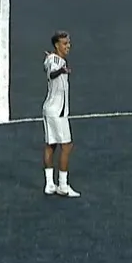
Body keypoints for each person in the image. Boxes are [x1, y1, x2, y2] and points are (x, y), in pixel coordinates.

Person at [42, 31, 79, 198]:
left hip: (50, 109)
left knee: (51, 145)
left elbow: (48, 66)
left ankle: (50, 184)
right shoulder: (55, 62)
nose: (68, 46)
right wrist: (61, 70)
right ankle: (63, 185)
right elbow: (52, 73)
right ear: (57, 45)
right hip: (57, 112)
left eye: (68, 43)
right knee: (66, 146)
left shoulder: (52, 59)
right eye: (64, 43)